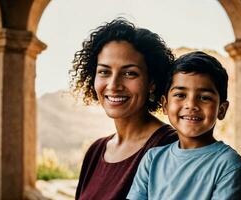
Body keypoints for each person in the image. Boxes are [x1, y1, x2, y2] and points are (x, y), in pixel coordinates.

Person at [70, 18, 178, 200]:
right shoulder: (95, 151)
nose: (113, 85)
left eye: (129, 73)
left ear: (152, 82)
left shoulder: (170, 148)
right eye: (104, 72)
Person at [127, 51, 241, 200]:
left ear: (221, 110)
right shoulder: (152, 160)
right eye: (180, 95)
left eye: (204, 97)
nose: (191, 105)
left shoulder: (228, 165)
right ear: (165, 105)